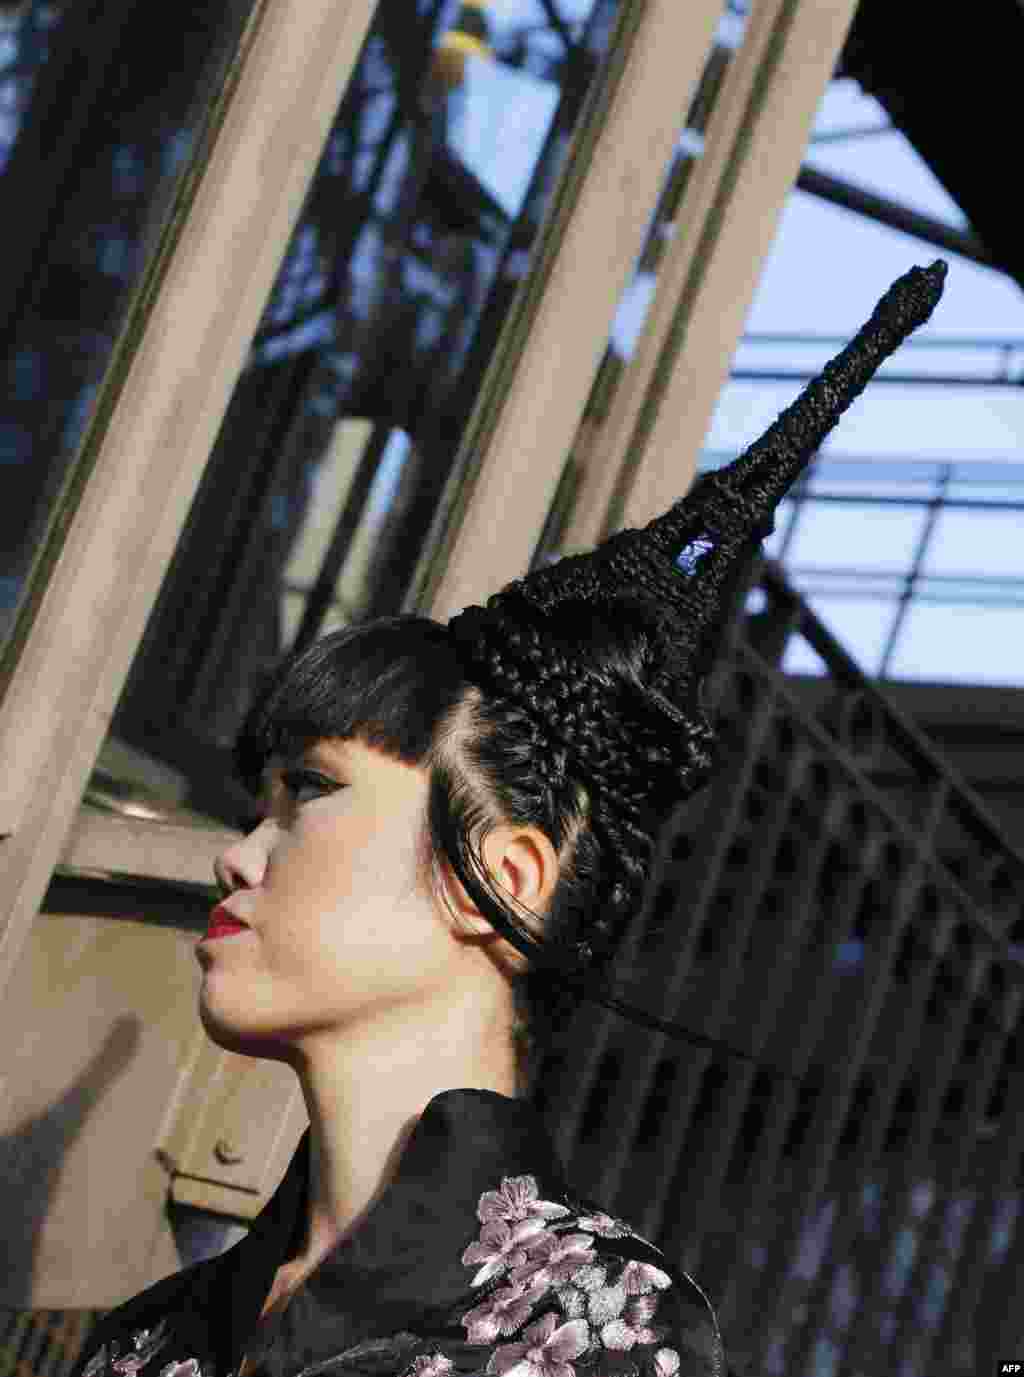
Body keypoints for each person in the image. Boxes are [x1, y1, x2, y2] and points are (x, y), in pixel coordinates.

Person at [68, 262, 946, 1377]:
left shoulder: (596, 1339)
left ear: (511, 876)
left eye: (314, 792)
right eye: (258, 807)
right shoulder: (148, 1341)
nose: (238, 855)